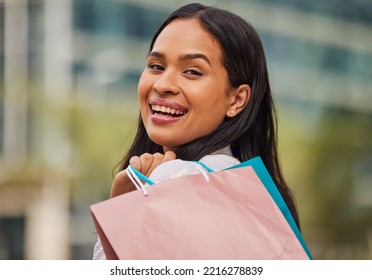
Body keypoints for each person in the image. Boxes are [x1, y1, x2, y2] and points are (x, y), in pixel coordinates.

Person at [93, 2, 300, 260]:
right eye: (156, 66)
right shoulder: (256, 197)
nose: (163, 84)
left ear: (237, 99)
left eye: (192, 71)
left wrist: (124, 212)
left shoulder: (178, 177)